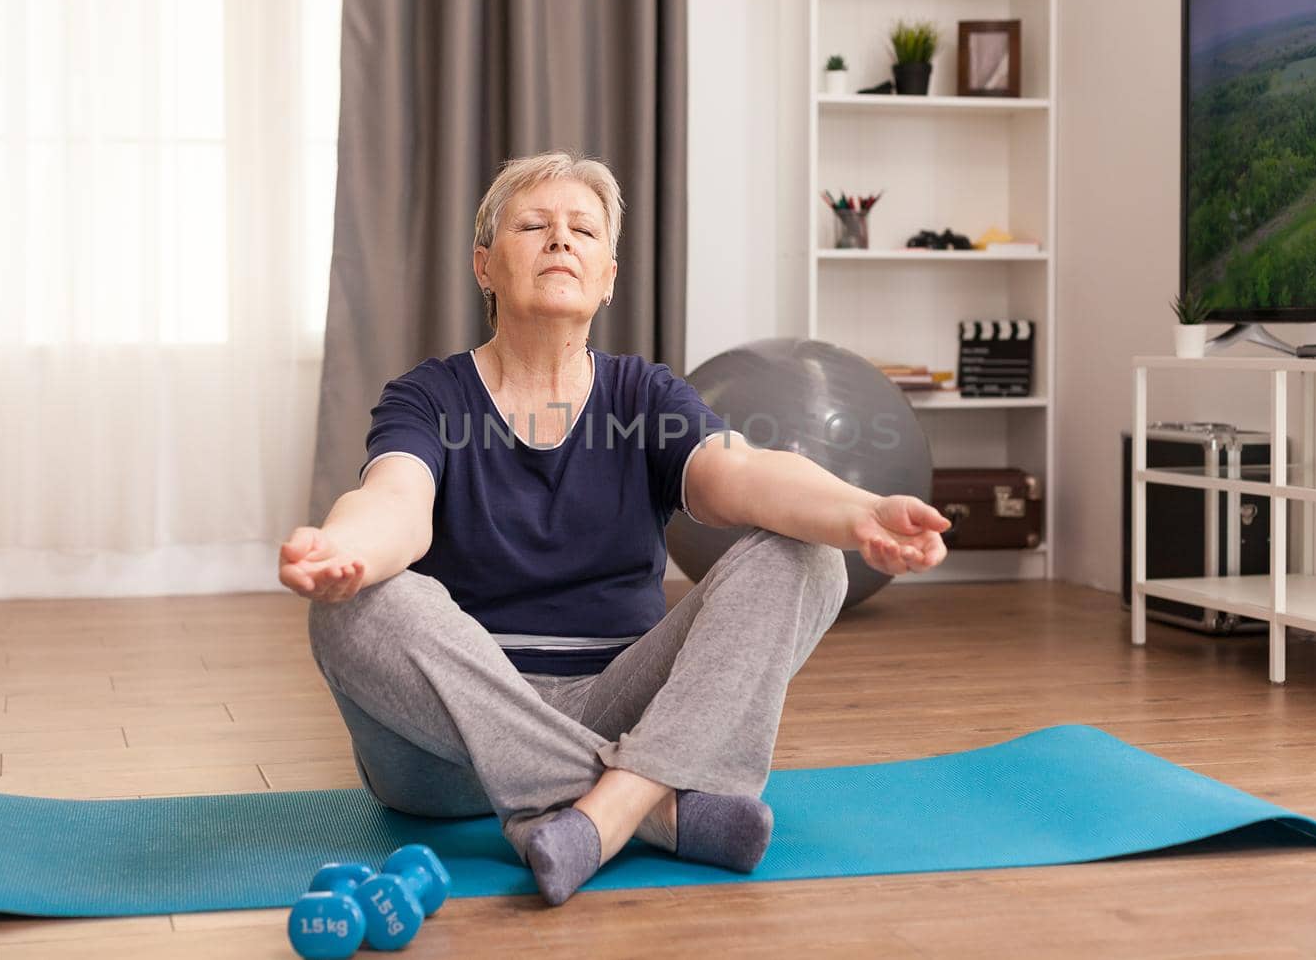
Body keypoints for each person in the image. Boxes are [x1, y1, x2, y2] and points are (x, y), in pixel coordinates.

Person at [279, 149, 951, 906]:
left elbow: (742, 472)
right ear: (484, 266)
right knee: (355, 604)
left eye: (583, 231)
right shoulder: (432, 396)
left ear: (607, 277)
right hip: (452, 742)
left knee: (810, 559)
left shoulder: (642, 395)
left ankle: (600, 814)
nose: (560, 239)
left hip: (620, 699)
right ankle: (657, 808)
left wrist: (860, 511)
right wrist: (345, 549)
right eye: (534, 225)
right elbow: (393, 501)